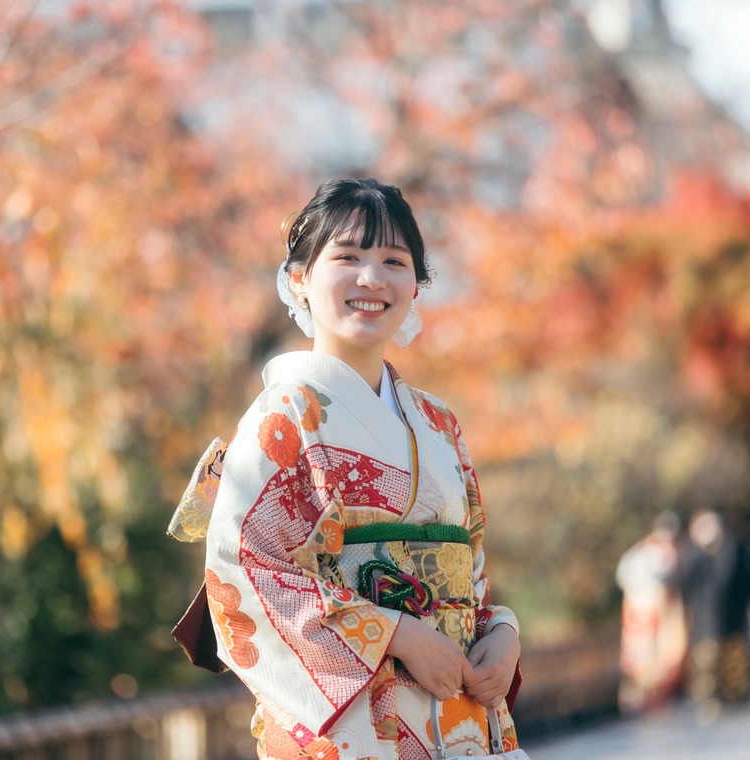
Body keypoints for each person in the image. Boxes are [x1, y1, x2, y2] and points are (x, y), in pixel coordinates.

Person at [168, 179, 524, 759]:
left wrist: (501, 634)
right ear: (300, 278)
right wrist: (398, 634)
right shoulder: (283, 417)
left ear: (415, 285)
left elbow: (470, 565)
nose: (371, 278)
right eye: (348, 257)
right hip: (355, 724)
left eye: (393, 261)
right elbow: (242, 568)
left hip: (457, 716)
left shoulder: (438, 423)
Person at [678, 509, 750, 721]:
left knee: (736, 660)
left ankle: (738, 695)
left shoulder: (733, 549)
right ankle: (708, 698)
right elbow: (685, 583)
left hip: (733, 617)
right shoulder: (693, 554)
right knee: (707, 661)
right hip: (706, 618)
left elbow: (746, 580)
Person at [614, 511, 687, 716]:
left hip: (638, 610)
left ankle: (644, 699)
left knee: (644, 656)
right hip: (650, 610)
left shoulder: (637, 551)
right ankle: (646, 699)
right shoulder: (659, 553)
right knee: (649, 656)